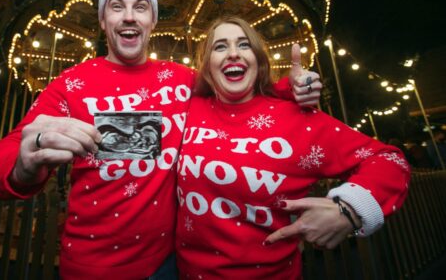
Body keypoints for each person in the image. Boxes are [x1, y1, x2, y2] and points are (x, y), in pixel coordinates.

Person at [0, 0, 322, 279]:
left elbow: (238, 89)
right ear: (102, 20)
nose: (129, 16)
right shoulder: (71, 84)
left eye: (141, 7)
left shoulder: (180, 80)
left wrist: (289, 89)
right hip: (91, 269)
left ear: (152, 20)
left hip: (167, 264)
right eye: (116, 6)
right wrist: (24, 165)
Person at [175, 16, 410, 278]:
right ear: (206, 65)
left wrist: (350, 210)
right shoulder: (189, 108)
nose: (232, 54)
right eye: (220, 47)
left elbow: (389, 160)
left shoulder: (298, 120)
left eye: (244, 45)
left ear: (258, 59)